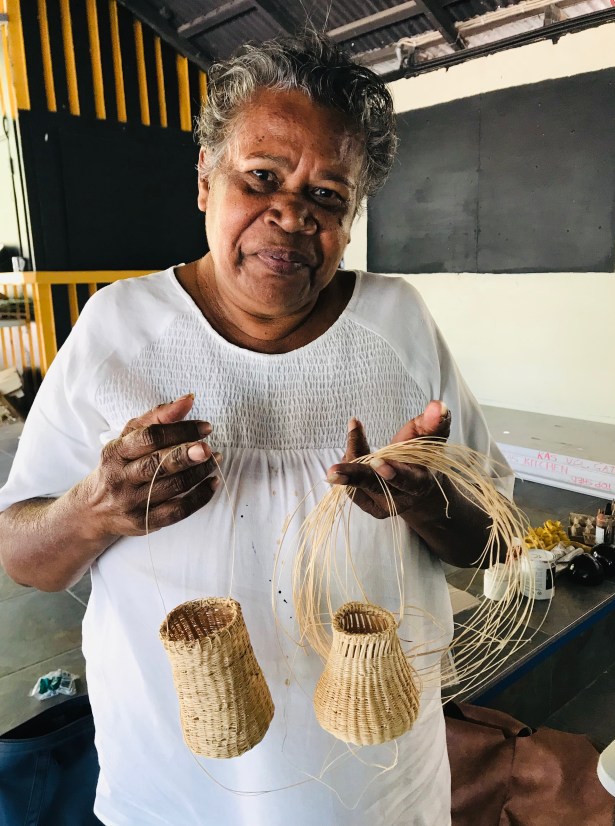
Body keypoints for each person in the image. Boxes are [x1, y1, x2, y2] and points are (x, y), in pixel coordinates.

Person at [0, 32, 512, 826]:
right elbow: (23, 558)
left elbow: (491, 544)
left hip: (375, 793)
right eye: (262, 177)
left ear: (352, 217)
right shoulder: (118, 329)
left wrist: (425, 500)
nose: (292, 214)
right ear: (206, 179)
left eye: (328, 195)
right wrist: (93, 509)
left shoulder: (398, 325)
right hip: (173, 793)